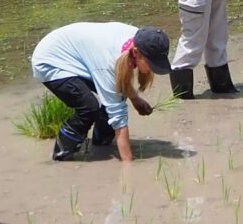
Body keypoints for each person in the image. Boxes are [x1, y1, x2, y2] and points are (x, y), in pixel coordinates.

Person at [31, 23, 172, 162]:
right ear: (136, 53)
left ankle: (101, 143)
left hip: (81, 57)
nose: (153, 69)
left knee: (116, 95)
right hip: (51, 61)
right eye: (151, 64)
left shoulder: (142, 39)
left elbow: (120, 82)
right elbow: (118, 117)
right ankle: (62, 155)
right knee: (89, 108)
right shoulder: (109, 62)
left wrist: (135, 99)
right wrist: (128, 165)